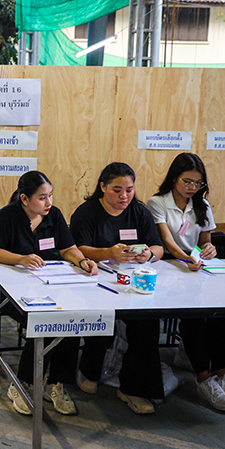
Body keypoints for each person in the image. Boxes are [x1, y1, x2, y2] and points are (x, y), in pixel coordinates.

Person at [0, 171, 98, 416]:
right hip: (14, 291)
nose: (49, 203)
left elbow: (67, 248)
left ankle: (55, 383)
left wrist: (82, 261)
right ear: (24, 199)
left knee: (71, 318)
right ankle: (23, 383)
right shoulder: (7, 216)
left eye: (51, 196)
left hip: (50, 285)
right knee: (44, 320)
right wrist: (20, 259)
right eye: (42, 197)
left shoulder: (53, 216)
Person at [70, 162, 165, 414]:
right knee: (102, 319)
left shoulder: (140, 213)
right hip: (95, 280)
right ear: (102, 187)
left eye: (130, 190)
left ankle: (133, 387)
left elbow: (158, 247)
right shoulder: (86, 213)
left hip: (133, 281)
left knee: (146, 324)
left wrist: (149, 255)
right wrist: (107, 253)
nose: (124, 196)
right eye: (117, 190)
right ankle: (89, 369)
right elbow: (77, 248)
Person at [147, 153, 225, 411]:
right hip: (171, 268)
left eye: (198, 184)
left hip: (199, 269)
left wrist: (208, 250)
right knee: (195, 314)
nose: (192, 188)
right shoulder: (158, 202)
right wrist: (185, 258)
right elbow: (167, 241)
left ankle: (222, 374)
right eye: (188, 181)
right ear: (174, 178)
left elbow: (206, 240)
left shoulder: (202, 205)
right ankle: (202, 377)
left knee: (221, 313)